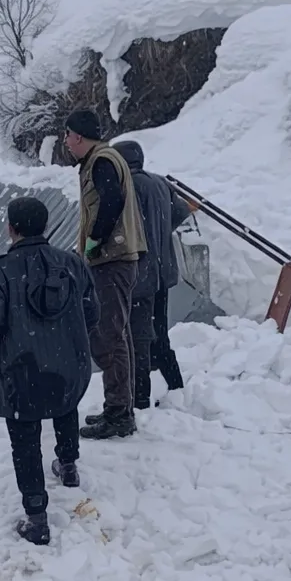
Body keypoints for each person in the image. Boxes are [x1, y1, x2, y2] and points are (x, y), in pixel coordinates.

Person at [0, 197, 98, 546]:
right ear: (46, 224)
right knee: (65, 406)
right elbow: (92, 312)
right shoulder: (72, 263)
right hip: (69, 364)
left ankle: (36, 517)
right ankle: (68, 467)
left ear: (11, 228)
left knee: (24, 439)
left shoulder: (0, 272)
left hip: (20, 371)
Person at [61, 109, 147, 440]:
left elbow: (110, 202)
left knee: (109, 335)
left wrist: (95, 244)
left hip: (112, 260)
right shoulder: (104, 159)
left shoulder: (101, 161)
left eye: (67, 136)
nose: (66, 143)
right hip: (115, 259)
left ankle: (120, 413)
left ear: (78, 136)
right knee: (115, 334)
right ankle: (118, 408)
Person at [110, 139, 190, 415]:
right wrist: (159, 230)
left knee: (137, 338)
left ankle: (140, 400)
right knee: (160, 334)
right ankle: (176, 386)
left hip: (138, 275)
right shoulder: (160, 183)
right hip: (163, 272)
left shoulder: (126, 186)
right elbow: (181, 211)